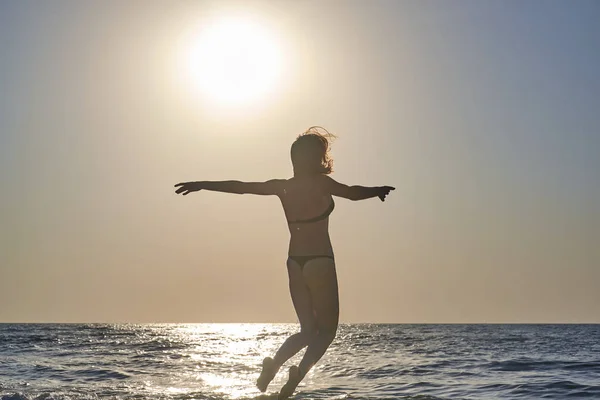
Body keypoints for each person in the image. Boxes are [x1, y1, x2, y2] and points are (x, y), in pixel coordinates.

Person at [174, 126, 394, 399]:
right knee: (325, 332)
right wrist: (377, 190)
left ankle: (274, 364)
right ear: (318, 158)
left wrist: (201, 184)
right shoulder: (321, 184)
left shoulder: (283, 187)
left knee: (306, 330)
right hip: (320, 262)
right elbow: (351, 192)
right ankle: (297, 374)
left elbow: (241, 188)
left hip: (294, 263)